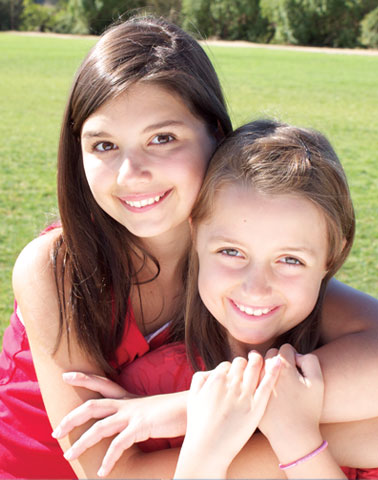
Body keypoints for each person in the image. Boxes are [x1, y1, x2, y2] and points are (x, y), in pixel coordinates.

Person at [1, 14, 378, 479]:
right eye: (103, 145)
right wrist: (330, 439)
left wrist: (186, 409)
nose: (129, 173)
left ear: (216, 133)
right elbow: (113, 472)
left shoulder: (238, 260)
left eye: (162, 138)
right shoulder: (54, 267)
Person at [58, 120, 378, 479]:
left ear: (330, 260)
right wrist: (204, 455)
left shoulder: (360, 390)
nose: (256, 287)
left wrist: (296, 436)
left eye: (290, 260)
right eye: (231, 252)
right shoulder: (146, 392)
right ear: (194, 235)